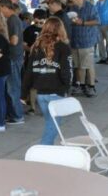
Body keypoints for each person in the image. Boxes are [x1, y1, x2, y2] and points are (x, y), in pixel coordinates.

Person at [22, 17, 73, 145]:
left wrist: (23, 93)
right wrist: (67, 87)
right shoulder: (63, 47)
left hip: (41, 94)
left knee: (51, 124)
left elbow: (29, 71)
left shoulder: (36, 47)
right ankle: (43, 151)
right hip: (56, 92)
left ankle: (48, 148)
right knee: (52, 126)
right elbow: (66, 71)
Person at [68, 0, 100, 98]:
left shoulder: (90, 7)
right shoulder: (72, 8)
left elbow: (97, 21)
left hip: (87, 41)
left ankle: (91, 87)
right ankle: (81, 85)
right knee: (78, 66)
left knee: (89, 65)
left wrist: (83, 23)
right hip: (75, 41)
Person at [0, 0, 26, 124]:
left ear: (5, 7)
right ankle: (14, 114)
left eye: (0, 8)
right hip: (16, 56)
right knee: (12, 87)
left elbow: (13, 41)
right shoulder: (14, 19)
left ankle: (17, 116)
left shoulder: (12, 20)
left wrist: (3, 36)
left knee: (12, 88)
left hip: (14, 57)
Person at [22, 9, 47, 114]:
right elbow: (23, 45)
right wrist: (32, 50)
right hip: (32, 59)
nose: (39, 23)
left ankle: (43, 108)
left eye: (41, 21)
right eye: (37, 21)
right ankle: (33, 107)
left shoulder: (49, 30)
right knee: (33, 85)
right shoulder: (28, 30)